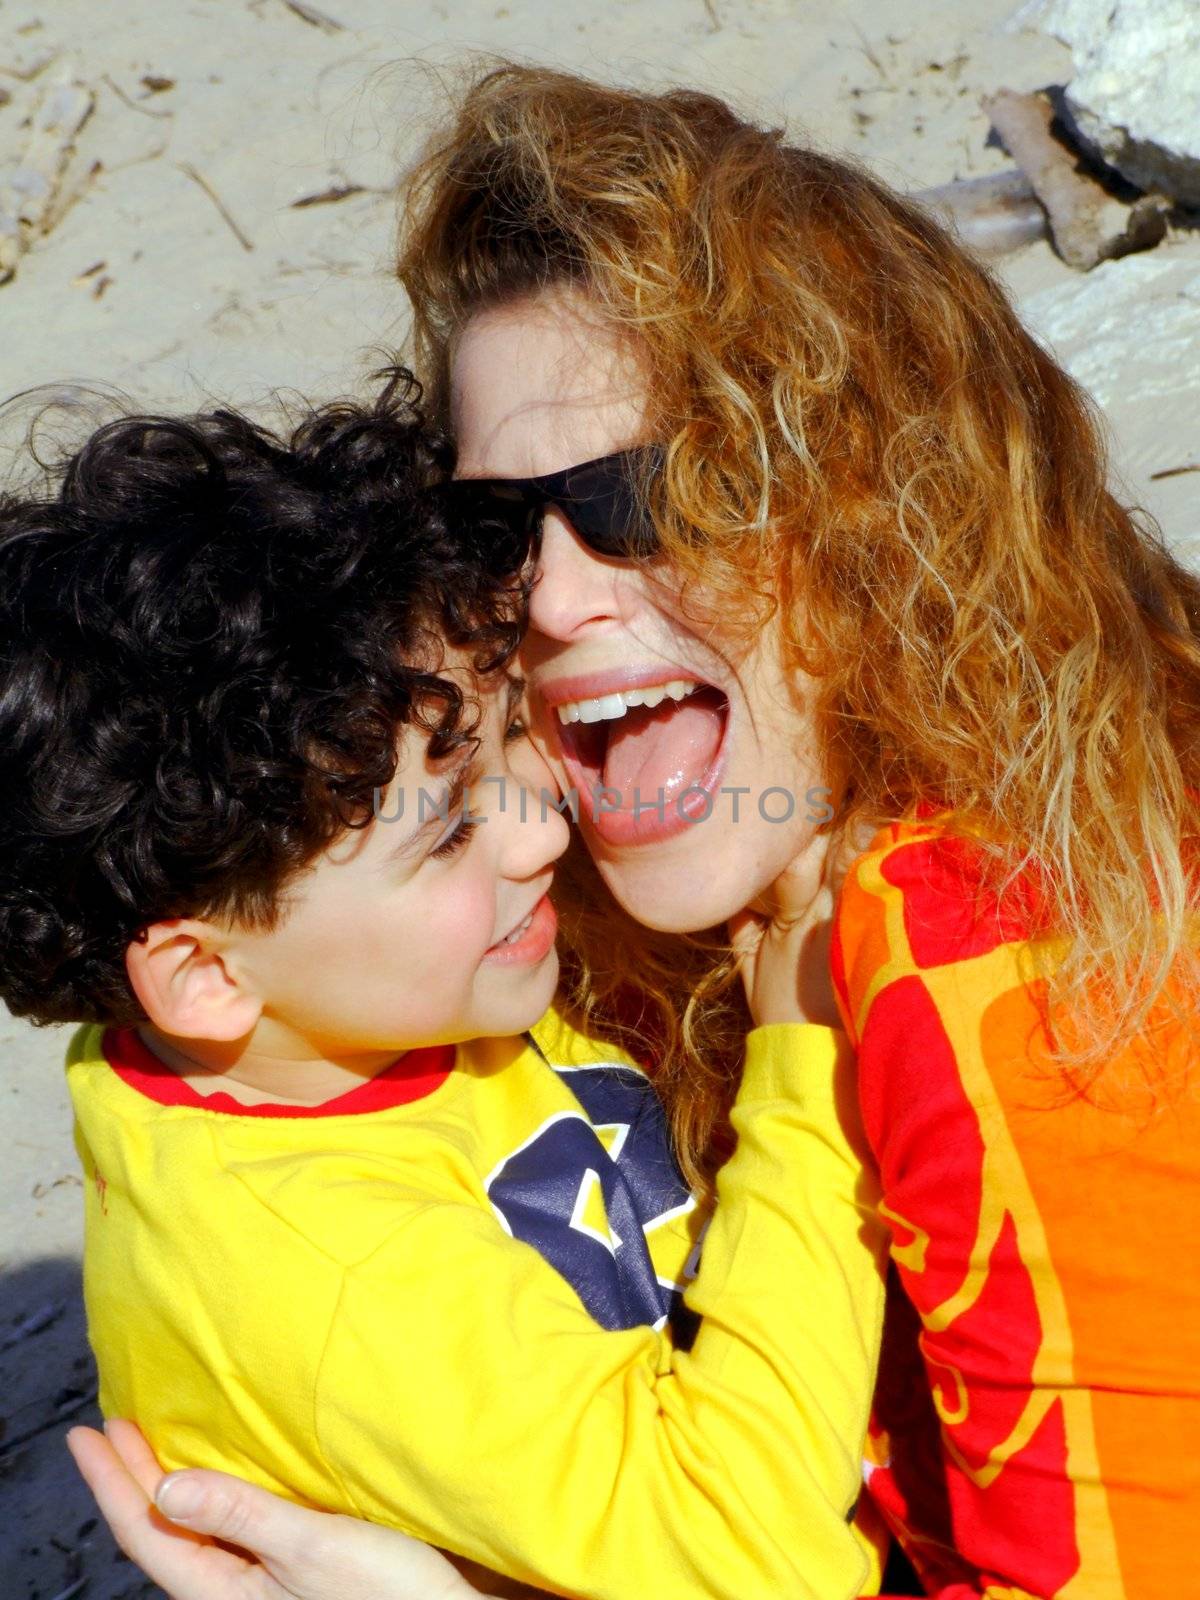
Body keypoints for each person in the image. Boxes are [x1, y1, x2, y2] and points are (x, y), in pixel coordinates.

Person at [76, 64, 1200, 1600]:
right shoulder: (574, 906)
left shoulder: (1021, 963)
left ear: (885, 505)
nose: (548, 595)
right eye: (490, 526)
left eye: (650, 493)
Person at [0, 371, 887, 1599]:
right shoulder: (335, 1285)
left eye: (504, 736)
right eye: (449, 829)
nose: (538, 830)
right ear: (203, 974)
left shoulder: (311, 1014)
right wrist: (804, 1067)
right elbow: (743, 1551)